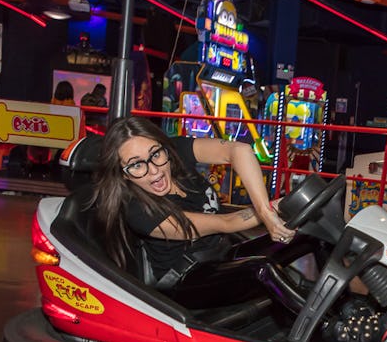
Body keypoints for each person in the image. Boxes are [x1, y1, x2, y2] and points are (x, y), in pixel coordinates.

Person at [92, 116, 294, 284]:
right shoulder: (137, 210)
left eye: (155, 154)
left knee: (301, 243)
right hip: (185, 277)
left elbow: (239, 150)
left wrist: (269, 209)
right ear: (124, 174)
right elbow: (225, 222)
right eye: (136, 165)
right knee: (265, 271)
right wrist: (270, 211)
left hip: (217, 253)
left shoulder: (173, 154)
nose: (154, 171)